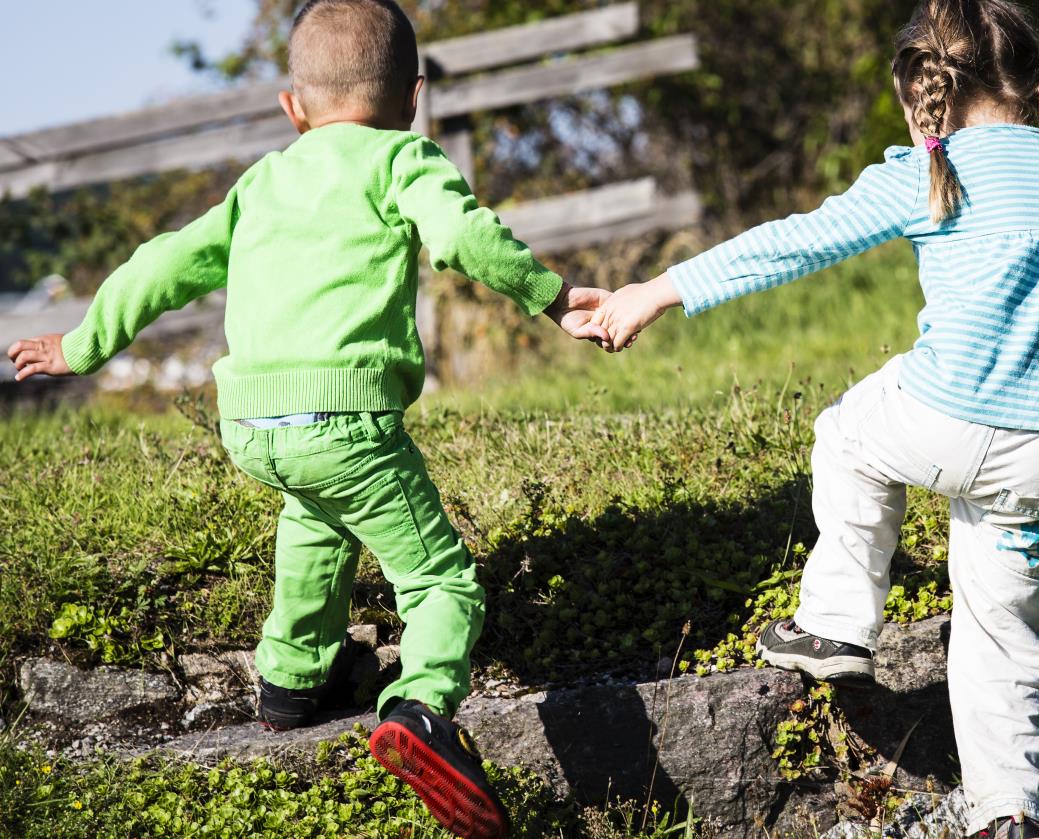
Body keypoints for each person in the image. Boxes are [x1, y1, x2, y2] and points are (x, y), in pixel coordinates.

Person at [591, 1, 1039, 836]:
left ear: (922, 88)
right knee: (1002, 626)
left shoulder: (929, 167)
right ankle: (1008, 811)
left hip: (944, 417)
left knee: (847, 433)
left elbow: (793, 241)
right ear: (1031, 84)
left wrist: (654, 291)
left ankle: (833, 624)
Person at [6, 1, 611, 836]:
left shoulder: (263, 179)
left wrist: (84, 340)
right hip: (348, 415)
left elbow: (164, 260)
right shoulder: (402, 157)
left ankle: (290, 683)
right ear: (414, 97)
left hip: (251, 424)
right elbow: (464, 237)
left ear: (293, 108)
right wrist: (551, 295)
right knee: (439, 580)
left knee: (315, 515)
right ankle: (422, 710)